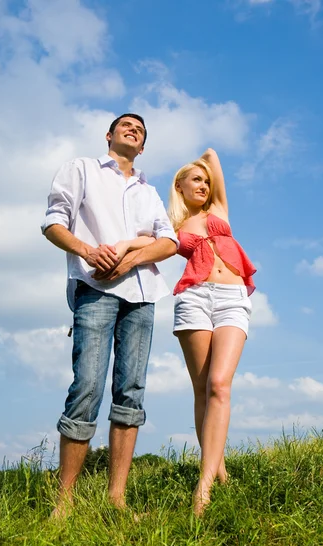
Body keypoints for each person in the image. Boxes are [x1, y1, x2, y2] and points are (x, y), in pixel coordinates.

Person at [42, 113, 178, 516]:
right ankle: (63, 501)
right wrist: (89, 251)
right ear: (109, 135)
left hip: (142, 295)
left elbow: (168, 242)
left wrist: (128, 259)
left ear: (143, 146)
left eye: (140, 129)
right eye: (126, 125)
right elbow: (53, 223)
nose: (133, 129)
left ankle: (115, 498)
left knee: (131, 391)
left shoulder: (148, 191)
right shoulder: (81, 169)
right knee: (86, 387)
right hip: (95, 290)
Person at [168, 149, 256, 516]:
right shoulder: (171, 224)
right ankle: (216, 468)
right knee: (202, 388)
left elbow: (213, 157)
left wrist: (202, 164)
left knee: (220, 384)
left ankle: (202, 488)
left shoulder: (218, 210)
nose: (203, 184)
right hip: (194, 299)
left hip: (232, 297)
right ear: (180, 186)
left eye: (206, 181)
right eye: (195, 180)